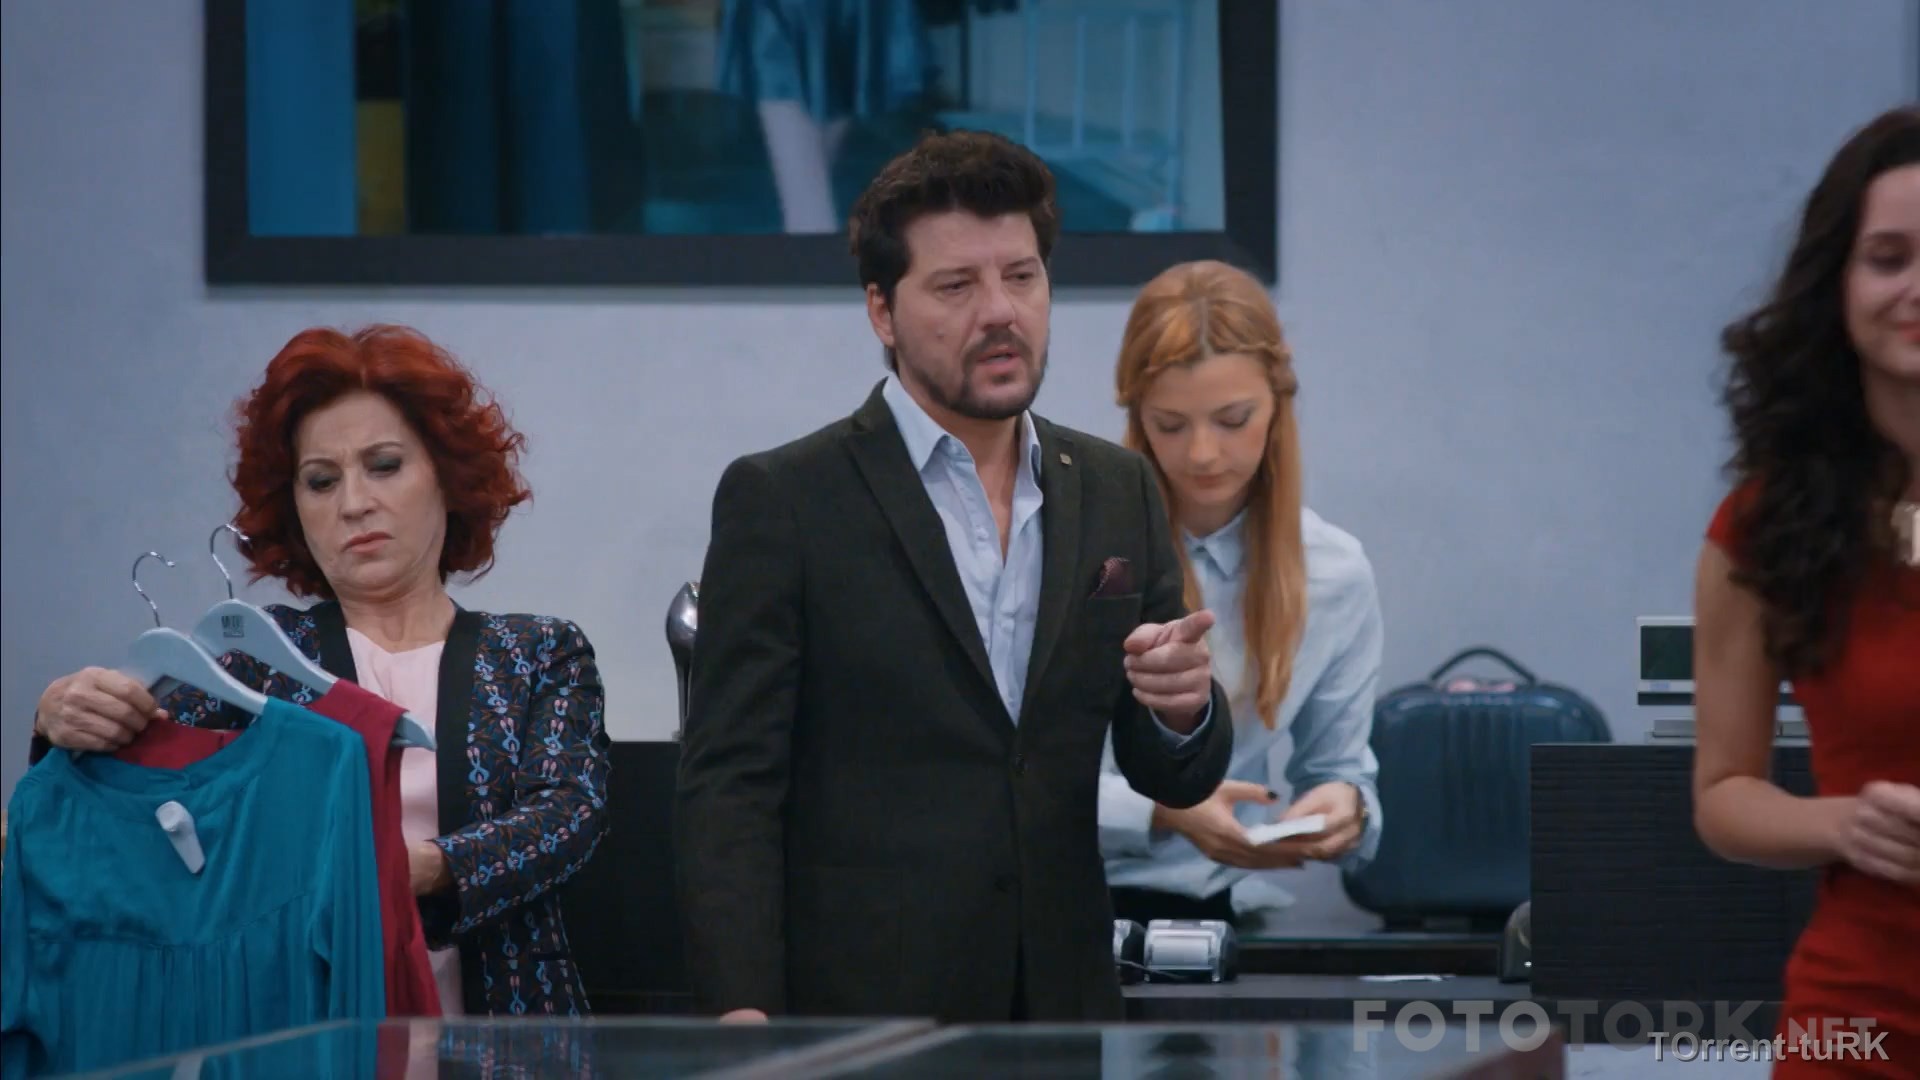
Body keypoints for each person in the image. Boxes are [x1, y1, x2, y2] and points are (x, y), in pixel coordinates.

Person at [675, 129, 1235, 1025]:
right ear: (882, 311)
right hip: (863, 1014)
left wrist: (1181, 709)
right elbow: (730, 787)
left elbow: (1172, 771)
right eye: (955, 286)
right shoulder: (785, 499)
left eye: (1021, 276)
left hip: (1061, 1009)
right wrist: (741, 1013)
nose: (1001, 312)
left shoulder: (1116, 487)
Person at [27, 324, 612, 1018]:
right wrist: (62, 722)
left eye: (384, 465)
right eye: (321, 480)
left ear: (447, 478)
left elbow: (569, 815)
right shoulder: (253, 661)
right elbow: (129, 798)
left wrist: (407, 868)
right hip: (305, 1024)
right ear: (295, 508)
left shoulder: (538, 652)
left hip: (513, 1024)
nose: (353, 503)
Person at [1691, 105, 1919, 1077]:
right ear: (1838, 286)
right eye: (1888, 258)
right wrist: (1846, 823)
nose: (1916, 288)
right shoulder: (1764, 526)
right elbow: (1723, 795)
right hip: (1860, 1021)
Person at [1099, 260, 1385, 928]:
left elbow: (1340, 771)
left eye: (1233, 419)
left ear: (1278, 405)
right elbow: (1014, 779)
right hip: (1071, 908)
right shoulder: (1085, 556)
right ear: (1137, 418)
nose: (1202, 454)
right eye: (1171, 424)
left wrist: (1346, 806)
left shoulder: (1335, 573)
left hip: (1229, 914)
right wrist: (1164, 810)